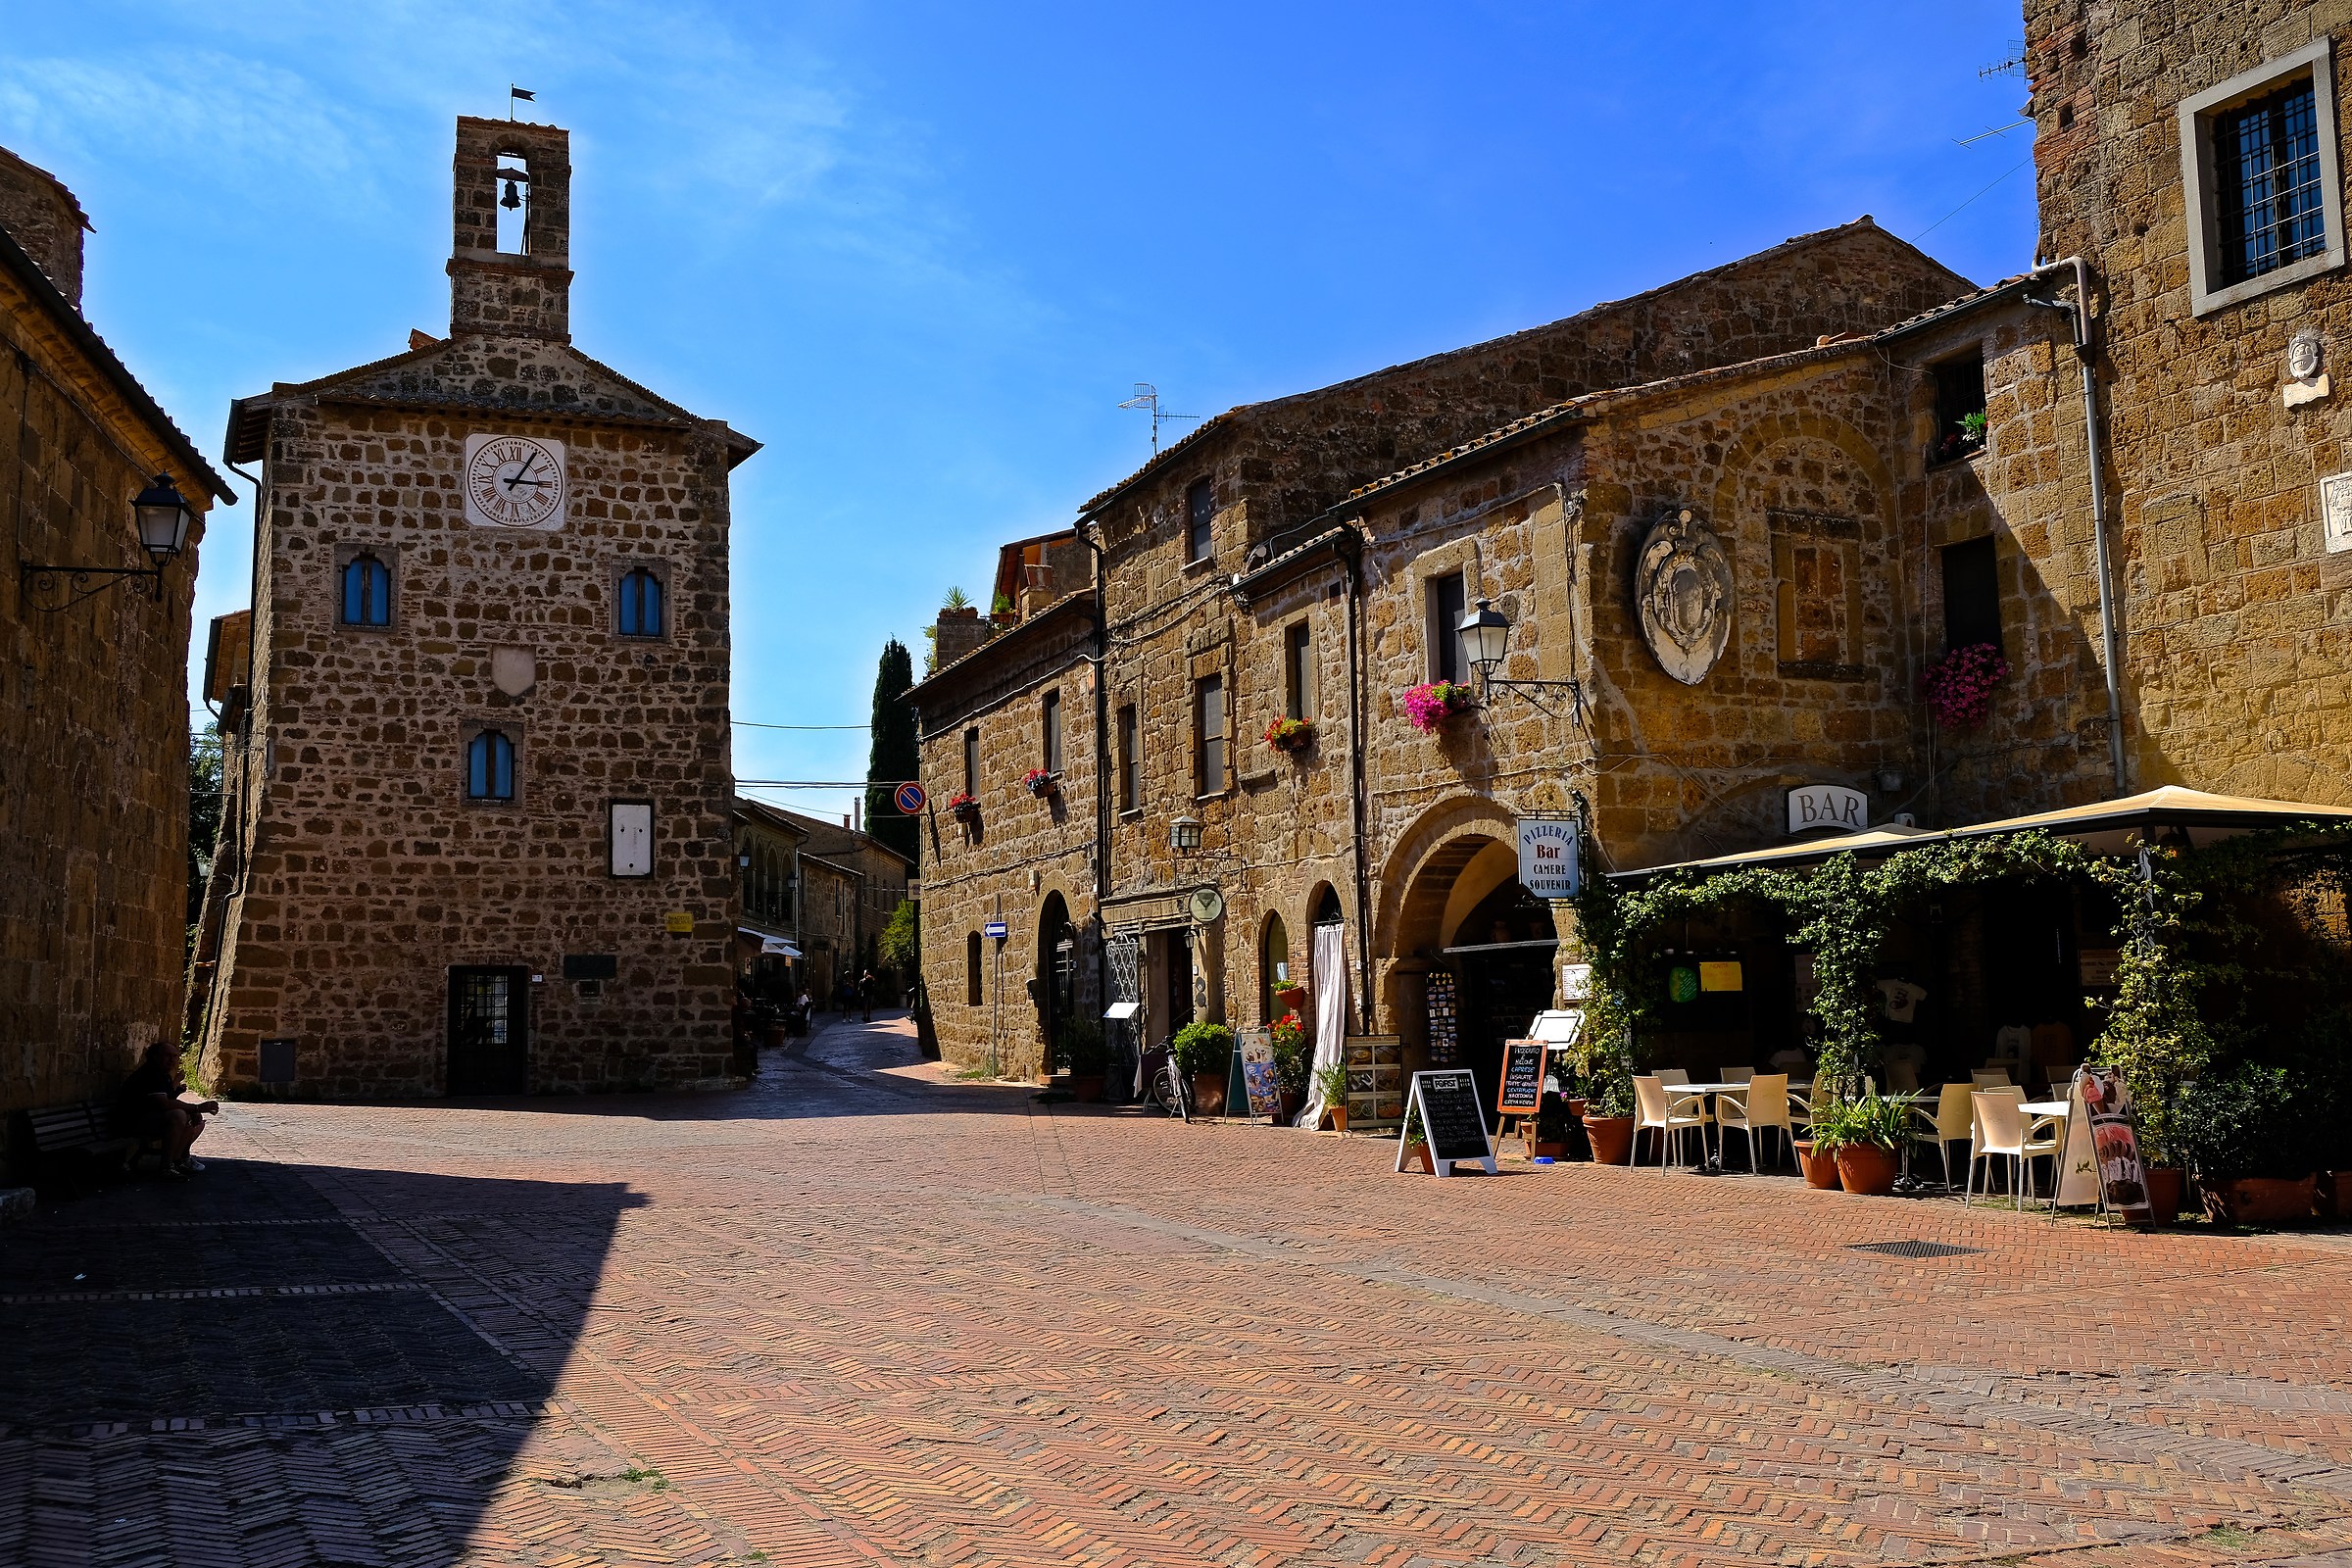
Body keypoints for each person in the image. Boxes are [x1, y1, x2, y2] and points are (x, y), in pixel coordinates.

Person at [114, 1041, 219, 1176]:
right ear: (155, 1057)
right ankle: (166, 1166)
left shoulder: (163, 1075)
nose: (172, 1060)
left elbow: (169, 1099)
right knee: (178, 1116)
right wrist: (196, 1107)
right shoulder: (151, 1074)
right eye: (167, 1056)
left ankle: (177, 1160)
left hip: (149, 1119)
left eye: (175, 1056)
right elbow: (164, 1104)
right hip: (131, 1122)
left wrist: (193, 1111)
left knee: (192, 1119)